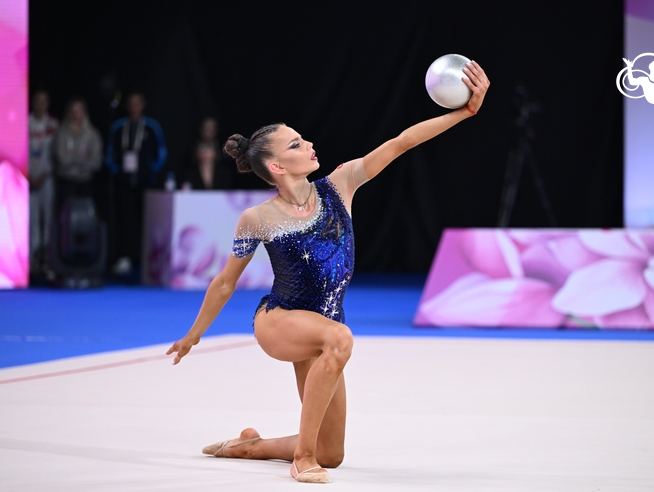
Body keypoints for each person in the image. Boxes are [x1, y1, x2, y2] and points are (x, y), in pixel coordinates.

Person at [166, 61, 490, 483]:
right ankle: (302, 460)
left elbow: (401, 142)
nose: (310, 144)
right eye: (297, 144)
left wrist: (462, 113)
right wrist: (194, 335)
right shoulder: (258, 218)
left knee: (332, 451)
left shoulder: (341, 185)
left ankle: (250, 446)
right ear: (277, 167)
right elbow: (225, 281)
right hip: (279, 321)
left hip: (323, 324)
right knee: (339, 340)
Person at [105, 90, 168, 276]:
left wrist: (151, 171)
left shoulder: (151, 127)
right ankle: (124, 258)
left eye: (137, 103)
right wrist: (117, 171)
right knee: (124, 220)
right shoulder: (118, 127)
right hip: (123, 182)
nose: (134, 108)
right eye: (131, 104)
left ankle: (144, 261)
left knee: (145, 221)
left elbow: (162, 151)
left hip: (145, 182)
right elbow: (109, 152)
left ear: (143, 105)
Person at [28, 89, 59, 274]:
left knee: (48, 218)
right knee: (32, 221)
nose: (40, 105)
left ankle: (47, 258)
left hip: (47, 178)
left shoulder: (53, 124)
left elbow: (56, 154)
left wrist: (44, 174)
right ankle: (32, 259)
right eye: (37, 101)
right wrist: (28, 176)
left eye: (44, 101)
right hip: (29, 179)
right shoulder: (25, 123)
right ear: (33, 102)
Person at [53, 97, 103, 211]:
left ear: (84, 112)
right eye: (73, 111)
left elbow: (96, 162)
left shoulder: (93, 134)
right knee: (65, 215)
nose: (76, 114)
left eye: (79, 111)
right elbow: (61, 159)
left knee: (85, 216)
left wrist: (72, 158)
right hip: (66, 180)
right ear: (69, 113)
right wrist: (84, 158)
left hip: (85, 181)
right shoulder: (61, 132)